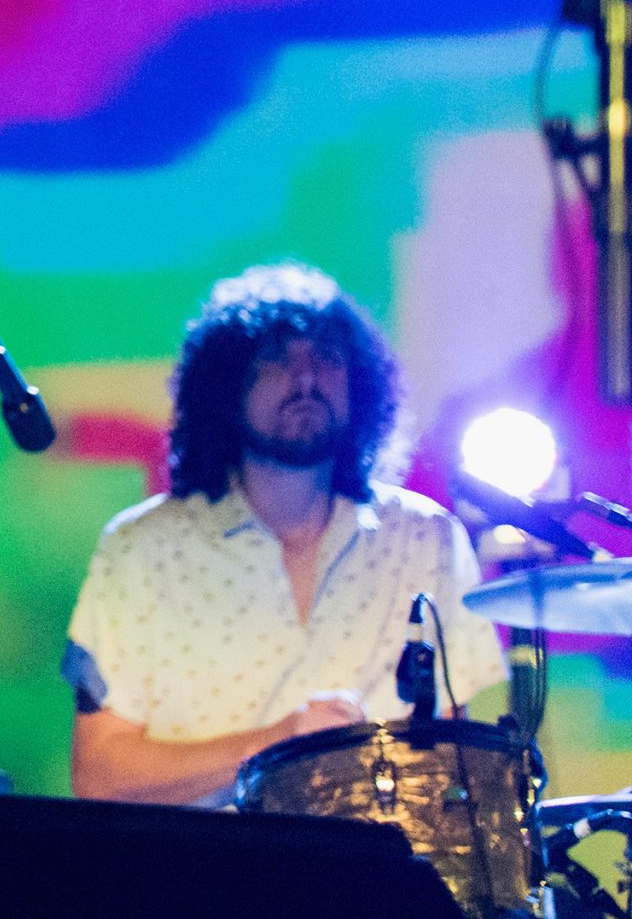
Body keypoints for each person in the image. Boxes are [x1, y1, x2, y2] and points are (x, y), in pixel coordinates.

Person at [64, 261, 506, 805]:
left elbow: (451, 769)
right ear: (226, 387)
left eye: (327, 358)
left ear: (360, 386)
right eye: (276, 359)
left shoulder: (425, 538)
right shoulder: (140, 548)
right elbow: (100, 778)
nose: (306, 379)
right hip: (205, 859)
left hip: (373, 857)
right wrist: (279, 744)